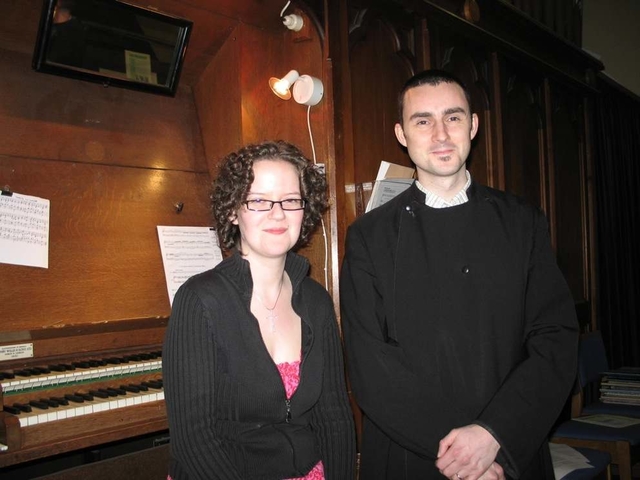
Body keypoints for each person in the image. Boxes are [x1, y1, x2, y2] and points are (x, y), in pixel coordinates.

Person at [340, 70, 578, 480]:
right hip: (412, 455)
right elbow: (368, 363)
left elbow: (554, 339)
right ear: (402, 134)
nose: (440, 134)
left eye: (453, 117)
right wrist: (458, 453)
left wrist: (493, 435)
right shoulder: (368, 236)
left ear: (473, 125)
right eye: (422, 121)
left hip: (508, 450)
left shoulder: (523, 223)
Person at [163, 140, 355, 480]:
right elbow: (194, 440)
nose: (277, 213)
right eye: (259, 200)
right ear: (233, 211)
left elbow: (334, 417)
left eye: (290, 200)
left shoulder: (317, 301)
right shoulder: (199, 300)